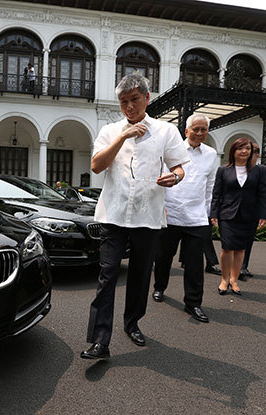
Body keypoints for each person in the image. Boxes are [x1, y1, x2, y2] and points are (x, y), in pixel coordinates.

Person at [80, 72, 190, 360]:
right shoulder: (109, 131)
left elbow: (179, 167)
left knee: (140, 275)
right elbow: (96, 166)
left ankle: (132, 323)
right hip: (113, 215)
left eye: (134, 100)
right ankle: (100, 341)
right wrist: (122, 136)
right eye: (124, 102)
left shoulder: (166, 132)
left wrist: (175, 178)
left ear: (147, 98)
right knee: (107, 274)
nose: (129, 107)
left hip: (148, 215)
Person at [152, 113, 218, 323]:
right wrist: (160, 208)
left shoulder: (211, 154)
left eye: (203, 129)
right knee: (163, 257)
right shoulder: (173, 150)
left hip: (196, 218)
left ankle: (193, 303)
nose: (199, 133)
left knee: (195, 264)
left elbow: (210, 187)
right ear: (186, 130)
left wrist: (207, 213)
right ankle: (159, 287)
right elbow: (160, 180)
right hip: (170, 214)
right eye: (195, 129)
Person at [210, 137, 266, 296]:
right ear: (233, 151)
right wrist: (213, 213)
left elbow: (263, 194)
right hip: (227, 215)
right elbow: (216, 194)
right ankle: (224, 279)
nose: (244, 151)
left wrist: (264, 215)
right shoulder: (223, 170)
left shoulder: (258, 171)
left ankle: (234, 280)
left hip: (249, 215)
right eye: (240, 148)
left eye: (248, 149)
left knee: (241, 249)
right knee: (227, 248)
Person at [240, 142, 266, 280]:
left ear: (257, 154)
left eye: (250, 151)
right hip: (234, 211)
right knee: (233, 241)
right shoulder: (237, 169)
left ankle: (242, 266)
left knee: (248, 241)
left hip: (254, 212)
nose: (246, 153)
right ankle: (234, 267)